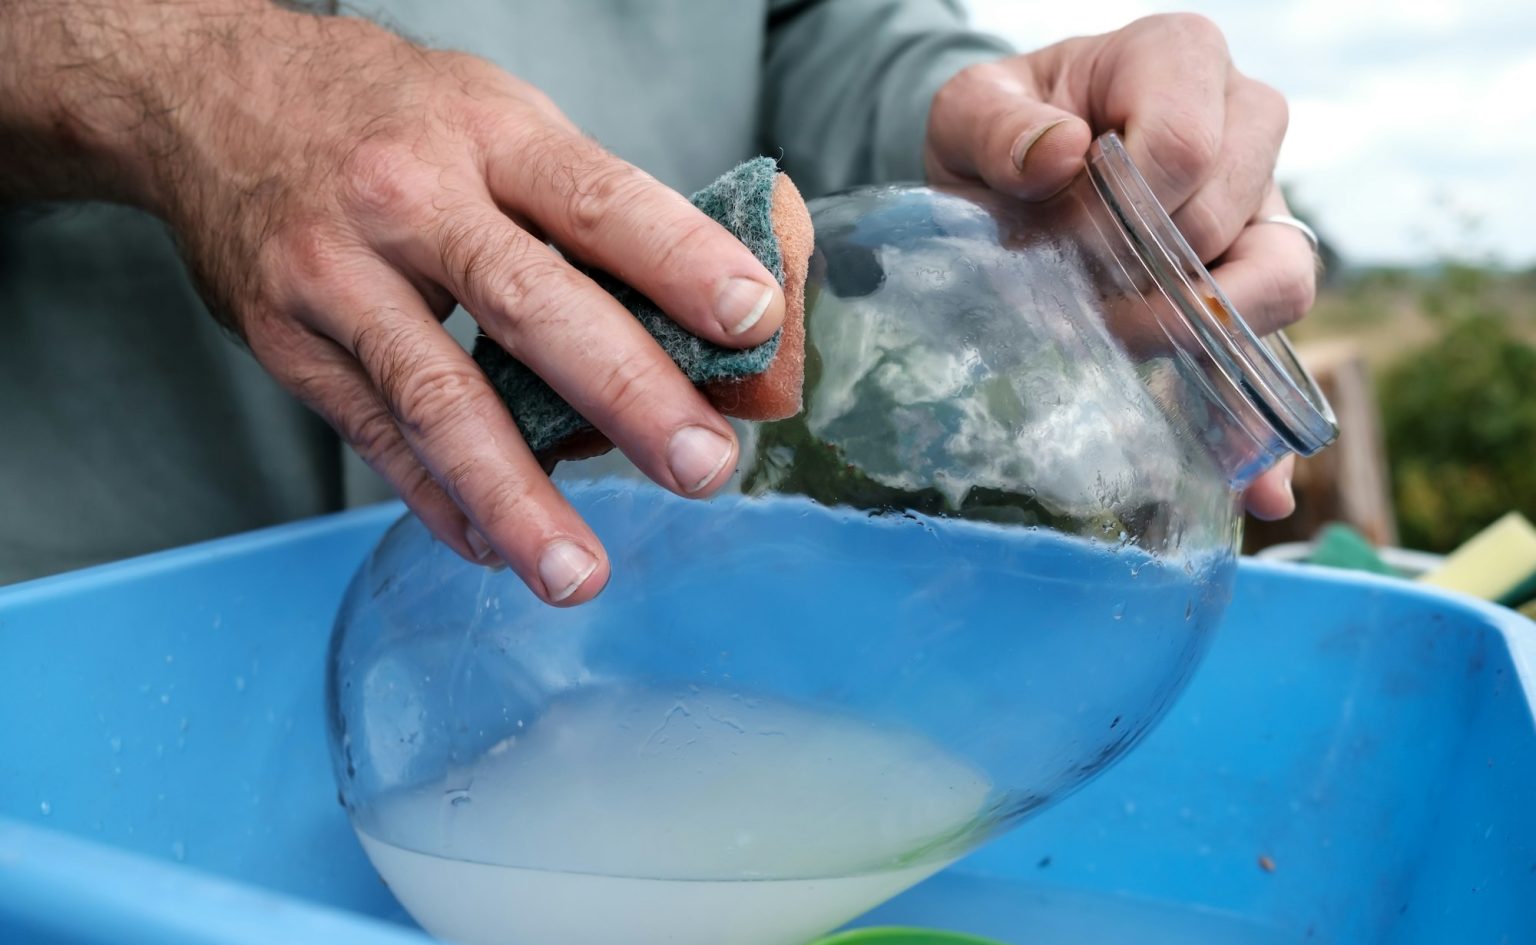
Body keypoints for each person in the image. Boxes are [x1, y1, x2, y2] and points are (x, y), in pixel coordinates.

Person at [0, 0, 1314, 602]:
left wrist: (976, 119)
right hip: (74, 632)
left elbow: (809, 22)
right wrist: (159, 74)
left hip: (637, 615)